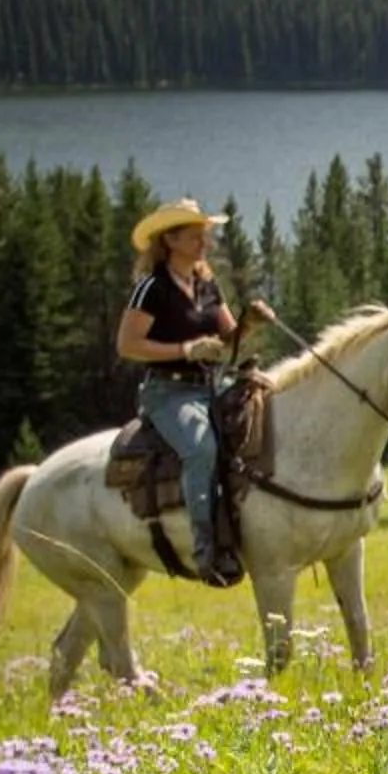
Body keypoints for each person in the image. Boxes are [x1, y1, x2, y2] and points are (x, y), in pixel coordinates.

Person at [116, 198, 266, 584]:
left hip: (213, 385)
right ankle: (206, 549)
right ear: (171, 239)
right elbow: (127, 345)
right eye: (196, 235)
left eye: (206, 234)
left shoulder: (206, 283)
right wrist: (185, 350)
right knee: (201, 449)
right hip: (168, 393)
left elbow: (228, 339)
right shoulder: (152, 288)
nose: (205, 241)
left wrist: (250, 324)